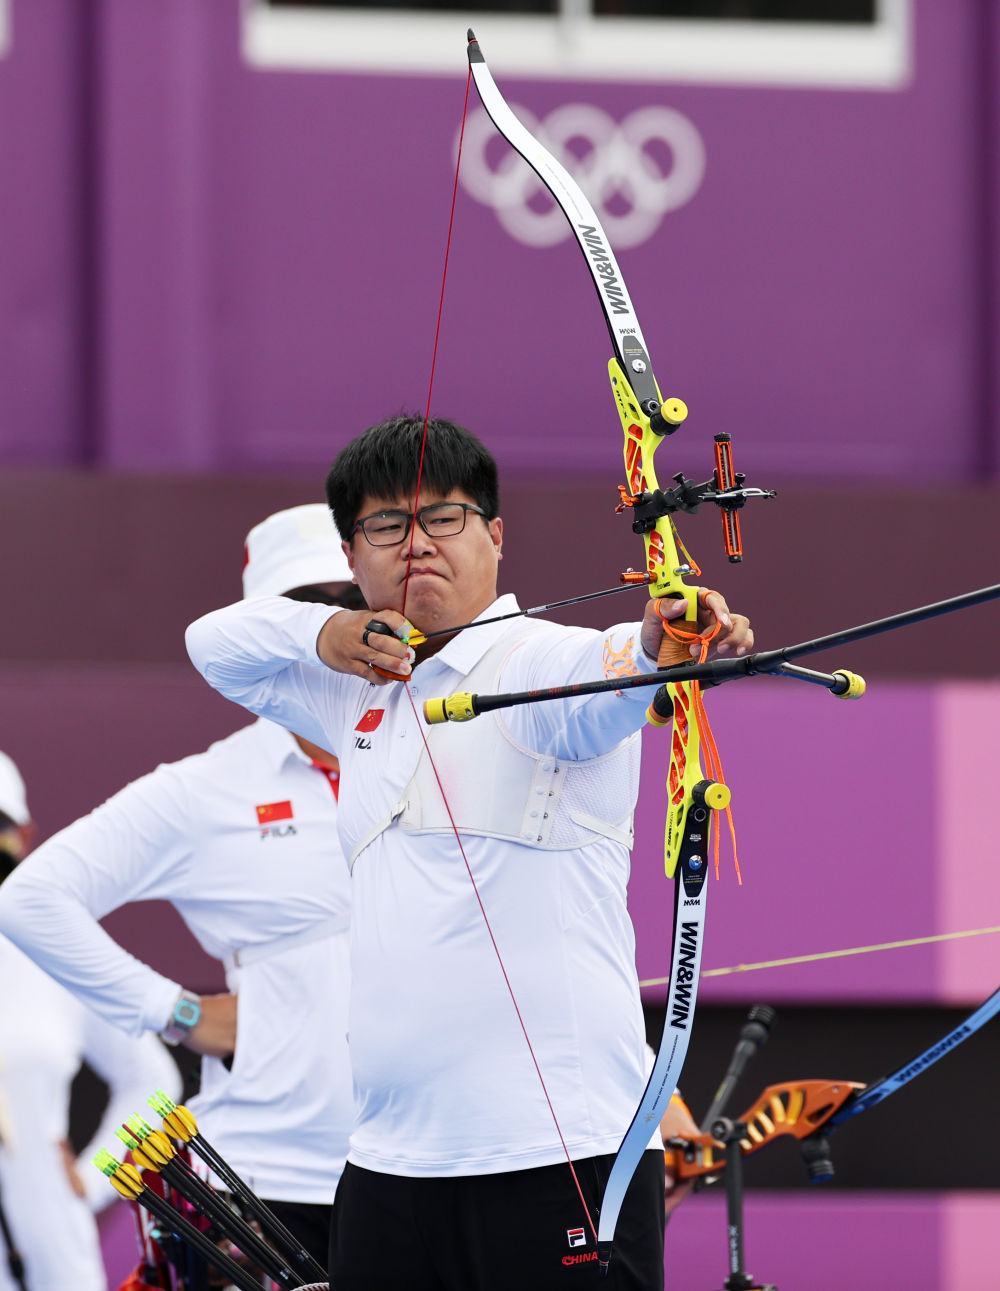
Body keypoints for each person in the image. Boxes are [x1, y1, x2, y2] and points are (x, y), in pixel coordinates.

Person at [184, 416, 754, 1291]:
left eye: (443, 517)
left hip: (562, 1157)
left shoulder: (544, 662)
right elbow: (210, 642)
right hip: (387, 1166)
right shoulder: (350, 692)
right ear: (352, 553)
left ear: (493, 533)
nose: (417, 546)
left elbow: (615, 668)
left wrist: (661, 642)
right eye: (387, 526)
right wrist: (324, 635)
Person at [0, 505, 364, 1272]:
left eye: (349, 603)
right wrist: (181, 1012)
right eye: (299, 611)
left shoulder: (439, 756)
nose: (328, 628)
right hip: (265, 1185)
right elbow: (30, 897)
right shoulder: (208, 788)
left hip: (437, 1170)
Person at [0, 751, 180, 1291]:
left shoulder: (49, 952)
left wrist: (94, 1175)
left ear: (25, 835)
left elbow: (154, 1082)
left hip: (51, 1255)